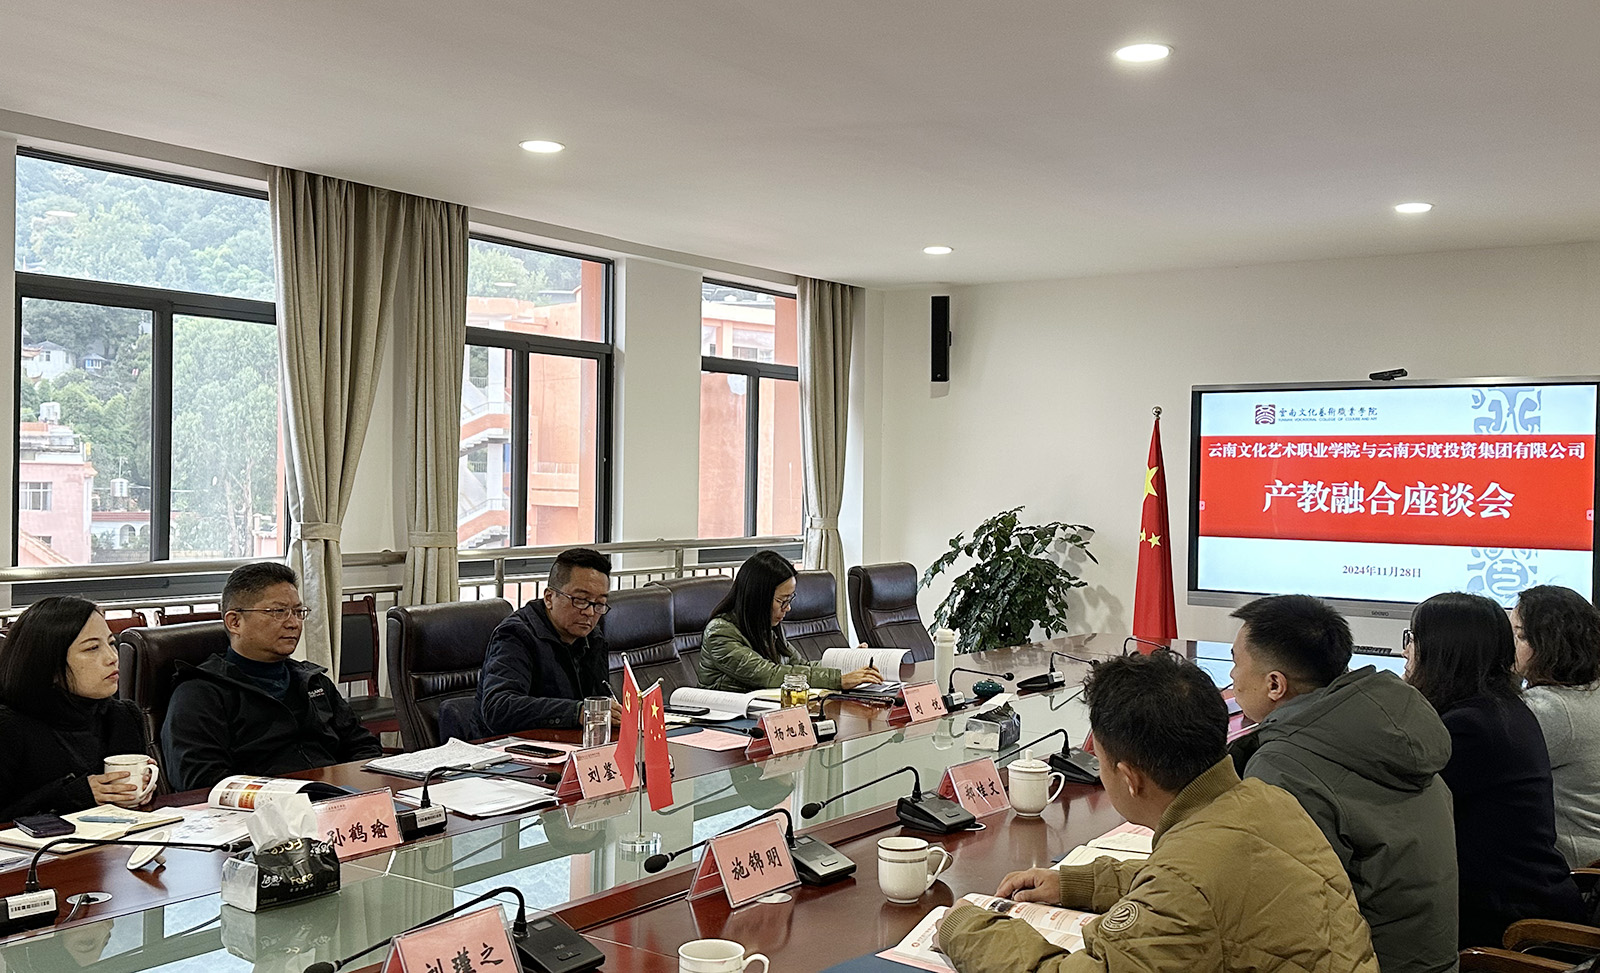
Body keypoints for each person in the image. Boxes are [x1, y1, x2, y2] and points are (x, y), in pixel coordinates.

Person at [937, 651, 1378, 973]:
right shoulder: (1266, 800)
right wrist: (1077, 884)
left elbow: (1187, 889)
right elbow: (1207, 886)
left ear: (1129, 777)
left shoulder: (1185, 882)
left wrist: (967, 929)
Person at [1228, 594, 1459, 973]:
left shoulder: (1284, 764)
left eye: (1236, 662)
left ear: (1275, 684)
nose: (1232, 677)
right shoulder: (1391, 722)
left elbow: (1282, 911)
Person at [1405, 592, 1586, 946]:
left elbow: (1401, 803)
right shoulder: (1500, 710)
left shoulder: (1469, 728)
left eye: (1412, 638)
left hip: (1507, 924)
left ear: (1442, 650)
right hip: (1526, 899)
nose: (1405, 652)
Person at [163, 562, 381, 791]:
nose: (293, 623)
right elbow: (201, 781)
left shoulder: (313, 682)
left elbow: (363, 746)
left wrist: (350, 790)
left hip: (337, 799)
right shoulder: (200, 694)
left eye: (298, 612)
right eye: (278, 612)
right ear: (235, 622)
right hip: (263, 807)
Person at [0, 597, 153, 821]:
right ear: (50, 665)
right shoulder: (9, 726)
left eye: (111, 643)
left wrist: (141, 790)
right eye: (92, 648)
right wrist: (73, 796)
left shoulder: (122, 717)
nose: (112, 658)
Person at [476, 547, 619, 733]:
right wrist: (577, 712)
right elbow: (498, 707)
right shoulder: (516, 635)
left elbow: (598, 700)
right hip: (511, 745)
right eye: (581, 600)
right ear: (549, 598)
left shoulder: (593, 637)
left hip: (571, 742)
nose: (590, 612)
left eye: (599, 604)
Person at [696, 550, 880, 693]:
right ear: (758, 599)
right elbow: (770, 675)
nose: (788, 608)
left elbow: (802, 666)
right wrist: (838, 680)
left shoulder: (766, 628)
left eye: (789, 600)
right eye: (781, 601)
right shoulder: (719, 633)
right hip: (727, 721)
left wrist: (849, 663)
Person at [1513, 584, 1600, 868]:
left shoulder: (1547, 709)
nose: (1509, 646)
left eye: (1520, 636)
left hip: (1574, 872)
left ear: (1550, 644)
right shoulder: (1591, 692)